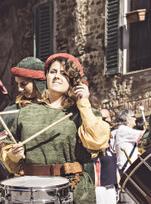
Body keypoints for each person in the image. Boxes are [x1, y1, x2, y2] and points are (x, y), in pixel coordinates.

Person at [1, 53, 110, 204]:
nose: (57, 76)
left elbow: (98, 141)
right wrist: (13, 155)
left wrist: (84, 103)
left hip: (72, 187)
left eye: (64, 73)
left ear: (72, 80)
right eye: (53, 72)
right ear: (46, 77)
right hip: (32, 190)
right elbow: (7, 149)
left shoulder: (82, 112)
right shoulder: (26, 112)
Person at [0, 57, 46, 131]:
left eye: (23, 84)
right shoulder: (15, 108)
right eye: (18, 84)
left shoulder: (55, 105)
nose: (19, 89)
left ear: (38, 83)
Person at [94, 108, 118, 204]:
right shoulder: (96, 144)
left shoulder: (109, 144)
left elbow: (113, 163)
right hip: (100, 186)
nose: (108, 124)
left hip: (111, 185)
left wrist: (118, 181)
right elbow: (93, 163)